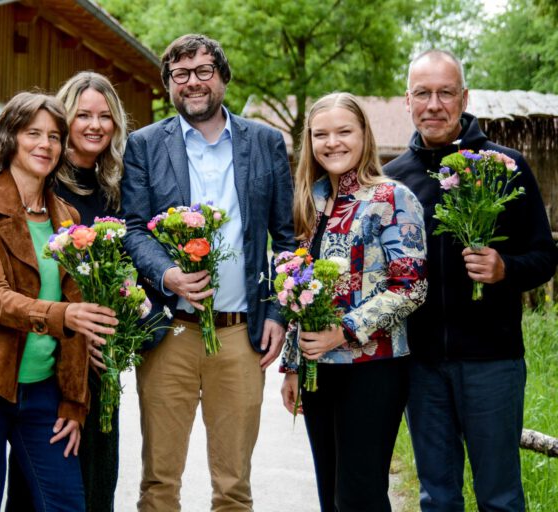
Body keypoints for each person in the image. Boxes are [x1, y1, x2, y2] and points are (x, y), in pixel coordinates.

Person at [120, 34, 297, 510]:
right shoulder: (143, 145)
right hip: (170, 333)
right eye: (181, 74)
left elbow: (286, 238)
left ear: (222, 77)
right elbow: (134, 229)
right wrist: (166, 275)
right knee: (159, 481)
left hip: (240, 335)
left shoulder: (264, 143)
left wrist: (279, 311)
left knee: (233, 485)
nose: (193, 83)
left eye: (203, 71)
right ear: (169, 84)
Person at [383, 50, 558, 511]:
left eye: (445, 93)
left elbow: (544, 257)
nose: (434, 104)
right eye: (423, 93)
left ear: (464, 98)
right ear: (408, 100)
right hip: (420, 367)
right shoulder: (392, 181)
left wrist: (505, 269)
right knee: (437, 497)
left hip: (492, 361)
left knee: (499, 496)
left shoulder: (506, 167)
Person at [0, 91, 118, 511]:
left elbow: (79, 320)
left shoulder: (68, 217)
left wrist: (74, 401)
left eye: (54, 136)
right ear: (10, 138)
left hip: (44, 392)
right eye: (33, 133)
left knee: (67, 502)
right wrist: (65, 314)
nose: (45, 144)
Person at [279, 92, 427, 511]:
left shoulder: (392, 198)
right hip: (318, 371)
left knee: (359, 496)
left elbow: (411, 287)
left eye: (344, 131)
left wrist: (342, 332)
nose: (332, 142)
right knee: (330, 494)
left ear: (364, 134)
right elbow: (298, 291)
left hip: (373, 368)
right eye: (321, 134)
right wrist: (292, 365)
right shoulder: (311, 200)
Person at [5, 71, 128, 511]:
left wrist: (118, 331)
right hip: (51, 356)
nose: (95, 125)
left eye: (105, 116)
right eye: (83, 115)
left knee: (97, 475)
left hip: (100, 356)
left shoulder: (115, 188)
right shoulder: (46, 185)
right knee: (41, 481)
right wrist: (76, 334)